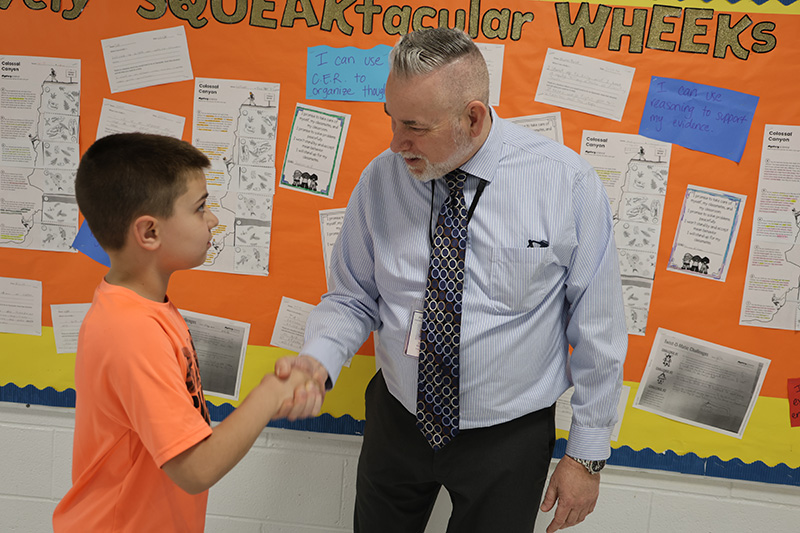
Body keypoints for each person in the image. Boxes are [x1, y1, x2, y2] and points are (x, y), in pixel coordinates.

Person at [277, 27, 627, 533]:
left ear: (474, 117)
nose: (397, 143)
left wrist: (587, 455)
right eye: (392, 121)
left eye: (415, 127)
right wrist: (319, 360)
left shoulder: (565, 184)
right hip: (398, 419)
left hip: (509, 437)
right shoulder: (382, 179)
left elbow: (598, 328)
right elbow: (353, 297)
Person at [52, 133, 323, 532]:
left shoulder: (147, 310)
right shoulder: (131, 331)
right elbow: (195, 468)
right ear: (149, 233)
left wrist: (277, 395)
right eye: (199, 209)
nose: (212, 219)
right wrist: (270, 393)